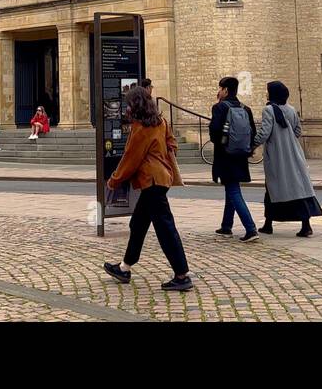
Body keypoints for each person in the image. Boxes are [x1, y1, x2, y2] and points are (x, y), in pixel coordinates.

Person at [102, 86, 192, 292]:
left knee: (166, 228)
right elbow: (172, 143)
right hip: (160, 179)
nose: (127, 108)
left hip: (151, 181)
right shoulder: (161, 122)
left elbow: (131, 159)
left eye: (129, 104)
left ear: (136, 105)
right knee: (138, 223)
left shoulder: (141, 128)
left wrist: (114, 180)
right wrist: (163, 154)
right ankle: (124, 267)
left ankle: (182, 274)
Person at [254, 80, 322, 237]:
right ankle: (305, 225)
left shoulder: (268, 110)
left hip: (277, 155)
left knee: (272, 188)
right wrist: (288, 138)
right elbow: (298, 130)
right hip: (294, 153)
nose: (266, 93)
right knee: (299, 188)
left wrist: (252, 144)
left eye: (267, 91)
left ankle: (268, 224)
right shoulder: (291, 109)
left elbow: (264, 133)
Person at [208, 77, 258, 241]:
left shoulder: (219, 108)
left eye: (220, 88)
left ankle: (250, 229)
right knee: (232, 187)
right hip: (241, 155)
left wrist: (222, 142)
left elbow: (214, 133)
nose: (219, 91)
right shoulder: (246, 108)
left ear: (226, 90)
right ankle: (226, 225)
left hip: (225, 155)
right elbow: (253, 132)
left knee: (233, 190)